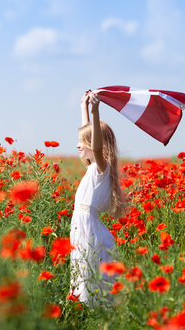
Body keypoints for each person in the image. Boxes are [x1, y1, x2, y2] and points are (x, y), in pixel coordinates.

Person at [69, 90, 127, 306]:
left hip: (89, 229)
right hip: (82, 226)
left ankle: (95, 311)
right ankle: (86, 309)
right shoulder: (93, 167)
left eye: (81, 141)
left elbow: (95, 145)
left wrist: (95, 112)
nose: (77, 145)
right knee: (83, 270)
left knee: (90, 272)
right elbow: (90, 139)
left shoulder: (102, 167)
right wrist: (83, 108)